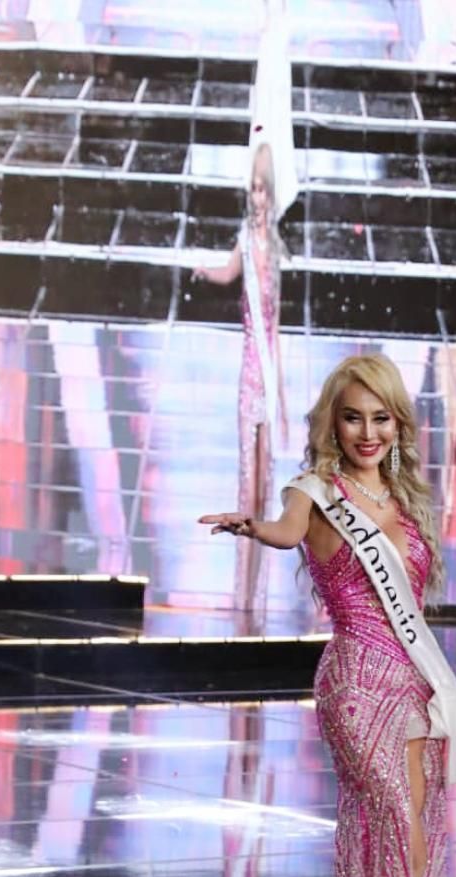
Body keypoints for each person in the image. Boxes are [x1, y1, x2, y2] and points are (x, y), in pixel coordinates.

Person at [199, 353, 456, 877]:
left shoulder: (403, 499)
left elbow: (413, 620)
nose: (367, 431)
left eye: (380, 417)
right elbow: (283, 530)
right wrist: (253, 528)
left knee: (401, 870)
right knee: (394, 842)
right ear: (332, 422)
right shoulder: (314, 492)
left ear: (397, 424)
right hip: (356, 686)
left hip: (413, 690)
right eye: (353, 416)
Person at [194, 141, 290, 613]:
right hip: (248, 371)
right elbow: (229, 272)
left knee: (266, 475)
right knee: (247, 475)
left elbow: (276, 323)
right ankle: (241, 590)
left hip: (268, 372)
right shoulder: (245, 240)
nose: (257, 197)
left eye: (262, 189)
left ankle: (258, 582)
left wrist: (282, 392)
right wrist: (202, 270)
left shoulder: (276, 248)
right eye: (252, 189)